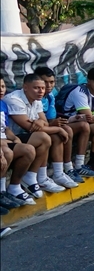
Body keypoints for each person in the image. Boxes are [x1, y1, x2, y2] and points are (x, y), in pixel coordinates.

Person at [5, 72, 79, 194]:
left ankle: (56, 174)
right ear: (25, 87)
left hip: (26, 135)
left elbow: (45, 123)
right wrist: (58, 128)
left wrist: (39, 121)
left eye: (42, 88)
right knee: (45, 137)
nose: (40, 91)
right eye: (36, 88)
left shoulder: (37, 99)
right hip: (12, 137)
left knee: (54, 135)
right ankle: (36, 178)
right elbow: (29, 127)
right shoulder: (14, 99)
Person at [0, 76, 39, 207]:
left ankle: (14, 187)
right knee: (7, 153)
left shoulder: (2, 104)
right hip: (1, 144)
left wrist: (14, 138)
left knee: (28, 149)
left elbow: (5, 128)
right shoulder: (11, 100)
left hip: (4, 140)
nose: (1, 90)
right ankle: (1, 191)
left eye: (3, 86)